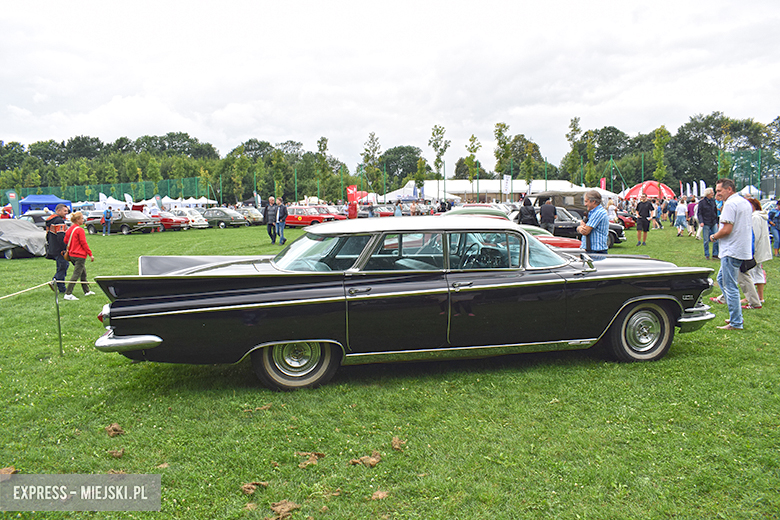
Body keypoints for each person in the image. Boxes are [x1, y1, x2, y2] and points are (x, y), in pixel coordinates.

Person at [709, 178, 753, 331]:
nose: (717, 194)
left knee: (730, 286)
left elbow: (727, 229)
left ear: (729, 189)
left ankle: (736, 322)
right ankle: (736, 314)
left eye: (719, 191)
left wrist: (714, 236)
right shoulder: (744, 202)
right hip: (741, 248)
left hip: (731, 249)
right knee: (722, 279)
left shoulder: (730, 204)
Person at [737, 198, 772, 308]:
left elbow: (754, 235)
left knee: (750, 273)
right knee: (758, 272)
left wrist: (750, 250)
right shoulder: (761, 216)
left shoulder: (755, 217)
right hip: (761, 249)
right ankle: (759, 297)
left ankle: (752, 298)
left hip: (755, 249)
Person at [63, 212, 95, 301]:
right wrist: (90, 254)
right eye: (82, 219)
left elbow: (65, 241)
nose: (83, 220)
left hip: (71, 255)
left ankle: (87, 291)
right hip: (79, 255)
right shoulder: (80, 230)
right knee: (76, 274)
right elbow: (83, 243)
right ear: (77, 220)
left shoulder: (70, 229)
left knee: (83, 273)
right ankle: (68, 293)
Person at [45, 204, 70, 293]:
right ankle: (56, 283)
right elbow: (61, 236)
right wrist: (64, 248)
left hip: (53, 247)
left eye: (67, 211)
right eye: (64, 211)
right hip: (59, 249)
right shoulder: (59, 221)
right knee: (63, 266)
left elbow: (47, 235)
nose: (66, 213)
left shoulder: (50, 221)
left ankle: (60, 287)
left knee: (61, 266)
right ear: (58, 211)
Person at [577, 190, 609, 254]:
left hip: (596, 251)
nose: (585, 204)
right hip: (592, 249)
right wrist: (580, 228)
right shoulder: (592, 212)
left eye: (586, 201)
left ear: (593, 201)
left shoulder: (598, 212)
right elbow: (583, 228)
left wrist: (580, 227)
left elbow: (585, 231)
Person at [698, 188, 720, 260]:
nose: (713, 194)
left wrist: (717, 221)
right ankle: (707, 254)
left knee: (716, 238)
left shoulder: (713, 201)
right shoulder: (702, 202)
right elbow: (699, 213)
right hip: (706, 222)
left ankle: (715, 254)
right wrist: (701, 221)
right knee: (706, 240)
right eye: (712, 193)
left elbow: (715, 211)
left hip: (713, 221)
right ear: (707, 194)